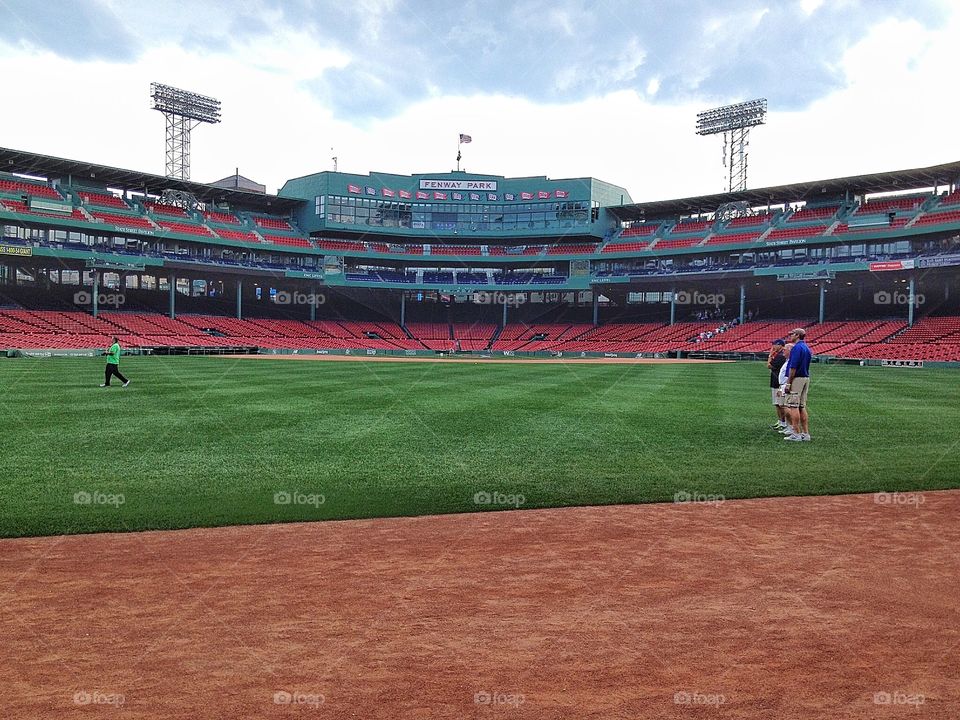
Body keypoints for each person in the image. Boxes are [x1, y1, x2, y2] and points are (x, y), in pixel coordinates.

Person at [783, 328, 812, 441]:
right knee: (802, 406)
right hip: (805, 377)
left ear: (798, 335)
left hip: (797, 379)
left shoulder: (797, 348)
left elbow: (793, 367)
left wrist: (789, 383)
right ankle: (805, 433)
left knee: (793, 406)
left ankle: (796, 434)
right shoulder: (807, 348)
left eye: (792, 334)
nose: (791, 336)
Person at [767, 339, 788, 431]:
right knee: (777, 404)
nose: (773, 347)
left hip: (779, 383)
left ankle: (784, 423)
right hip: (776, 381)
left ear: (780, 345)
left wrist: (770, 355)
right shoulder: (779, 355)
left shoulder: (780, 356)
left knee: (780, 404)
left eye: (775, 344)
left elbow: (769, 365)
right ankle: (780, 422)